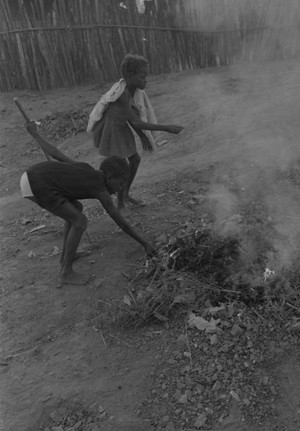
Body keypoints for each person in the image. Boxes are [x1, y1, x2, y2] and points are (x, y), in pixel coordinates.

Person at [20, 121, 156, 287]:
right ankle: (66, 272)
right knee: (80, 221)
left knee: (76, 209)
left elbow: (56, 154)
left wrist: (35, 134)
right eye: (120, 184)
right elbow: (120, 221)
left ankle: (66, 256)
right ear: (109, 177)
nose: (120, 188)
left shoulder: (87, 169)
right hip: (37, 184)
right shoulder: (100, 189)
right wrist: (144, 243)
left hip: (34, 176)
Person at [87, 54, 183, 210]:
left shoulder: (133, 90)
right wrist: (167, 128)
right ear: (130, 75)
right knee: (121, 168)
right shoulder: (123, 95)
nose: (146, 80)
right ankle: (119, 204)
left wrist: (142, 135)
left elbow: (133, 118)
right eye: (142, 76)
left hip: (121, 127)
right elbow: (136, 121)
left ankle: (125, 195)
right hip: (112, 130)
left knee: (135, 160)